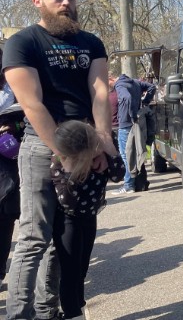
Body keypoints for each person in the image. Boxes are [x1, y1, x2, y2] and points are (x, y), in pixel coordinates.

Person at [1, 0, 119, 320]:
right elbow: (31, 103)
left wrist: (103, 143)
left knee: (66, 236)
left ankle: (48, 308)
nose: (66, 2)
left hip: (87, 145)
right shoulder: (23, 42)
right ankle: (19, 314)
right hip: (42, 145)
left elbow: (99, 92)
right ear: (37, 1)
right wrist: (65, 151)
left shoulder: (91, 42)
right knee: (34, 237)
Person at [50, 120, 123, 320]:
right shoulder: (60, 163)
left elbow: (119, 175)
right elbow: (67, 202)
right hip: (68, 219)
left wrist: (108, 152)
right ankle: (73, 313)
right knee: (70, 270)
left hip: (89, 216)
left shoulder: (100, 155)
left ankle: (78, 306)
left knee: (82, 268)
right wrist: (73, 172)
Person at [0, 47, 22, 287]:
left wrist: (13, 126)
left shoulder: (13, 88)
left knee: (4, 221)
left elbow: (27, 117)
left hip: (6, 166)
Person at [112, 73, 156, 194]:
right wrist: (145, 102)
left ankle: (128, 185)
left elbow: (127, 98)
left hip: (126, 124)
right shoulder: (135, 82)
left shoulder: (119, 85)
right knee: (134, 154)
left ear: (111, 79)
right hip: (136, 122)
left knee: (127, 156)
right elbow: (152, 87)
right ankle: (135, 183)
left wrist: (131, 114)